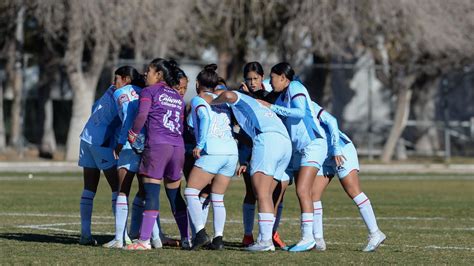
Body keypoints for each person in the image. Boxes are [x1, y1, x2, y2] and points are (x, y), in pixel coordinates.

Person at [258, 62, 327, 252]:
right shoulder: (280, 95)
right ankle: (265, 238)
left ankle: (308, 238)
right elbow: (261, 85)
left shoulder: (295, 87)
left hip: (313, 144)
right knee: (274, 188)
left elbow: (299, 113)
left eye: (273, 78)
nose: (270, 82)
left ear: (283, 78)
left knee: (303, 190)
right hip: (295, 150)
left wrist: (271, 107)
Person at [210, 89, 292, 252]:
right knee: (266, 194)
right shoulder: (256, 107)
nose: (215, 94)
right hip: (284, 143)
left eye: (216, 92)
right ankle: (265, 239)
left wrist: (211, 102)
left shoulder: (240, 98)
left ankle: (265, 241)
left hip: (268, 139)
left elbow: (227, 95)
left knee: (261, 193)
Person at [124, 58, 188, 250]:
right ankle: (186, 238)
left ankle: (144, 241)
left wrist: (133, 134)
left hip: (158, 147)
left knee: (151, 192)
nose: (145, 74)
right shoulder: (178, 97)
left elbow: (142, 115)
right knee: (175, 194)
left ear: (159, 74)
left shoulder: (149, 91)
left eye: (149, 71)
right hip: (178, 147)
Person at [311, 101, 386, 252]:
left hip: (340, 150)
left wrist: (336, 149)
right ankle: (318, 240)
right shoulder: (283, 105)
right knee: (312, 195)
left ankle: (375, 233)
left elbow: (332, 121)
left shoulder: (304, 102)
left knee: (353, 191)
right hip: (322, 155)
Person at [184, 64, 238, 250]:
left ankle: (200, 234)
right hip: (231, 152)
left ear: (198, 83)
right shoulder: (222, 101)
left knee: (190, 192)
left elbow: (205, 119)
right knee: (217, 197)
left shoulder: (199, 100)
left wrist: (199, 145)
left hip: (213, 151)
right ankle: (219, 239)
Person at [237, 62, 287, 249]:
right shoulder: (241, 98)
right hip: (254, 151)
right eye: (248, 79)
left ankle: (271, 233)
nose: (252, 82)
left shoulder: (270, 97)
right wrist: (243, 158)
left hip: (276, 149)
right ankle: (248, 235)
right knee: (253, 192)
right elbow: (243, 130)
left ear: (262, 77)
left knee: (278, 194)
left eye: (255, 79)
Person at [101, 66, 145, 248]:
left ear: (126, 79)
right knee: (147, 192)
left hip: (129, 145)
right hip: (147, 146)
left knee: (123, 190)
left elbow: (128, 118)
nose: (114, 82)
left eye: (117, 78)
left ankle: (119, 238)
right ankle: (152, 238)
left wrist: (119, 143)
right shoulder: (144, 91)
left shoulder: (121, 93)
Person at [78, 85, 121, 246]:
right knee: (118, 187)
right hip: (101, 142)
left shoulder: (109, 89)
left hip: (87, 136)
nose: (116, 81)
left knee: (89, 187)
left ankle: (85, 235)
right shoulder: (125, 93)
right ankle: (120, 235)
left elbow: (94, 107)